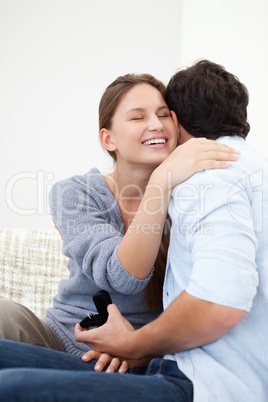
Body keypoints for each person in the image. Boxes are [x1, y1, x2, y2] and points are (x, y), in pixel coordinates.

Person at [0, 60, 258, 402]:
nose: (156, 124)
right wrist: (161, 182)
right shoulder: (76, 192)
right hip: (67, 341)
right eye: (138, 117)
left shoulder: (193, 193)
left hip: (144, 358)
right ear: (108, 139)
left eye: (164, 114)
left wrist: (139, 347)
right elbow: (121, 277)